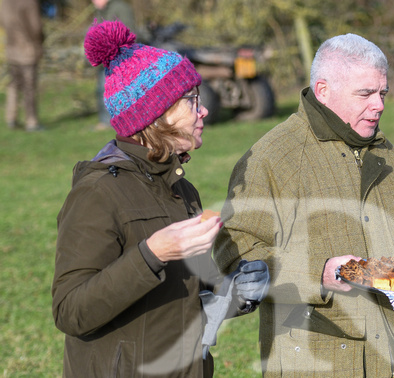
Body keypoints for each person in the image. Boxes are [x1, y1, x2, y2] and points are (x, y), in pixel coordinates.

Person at [213, 33, 394, 377]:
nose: (379, 105)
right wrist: (320, 274)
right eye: (366, 93)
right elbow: (234, 254)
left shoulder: (386, 153)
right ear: (324, 91)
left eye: (383, 92)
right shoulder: (272, 157)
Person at [51, 20, 269, 377]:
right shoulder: (96, 192)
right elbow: (70, 312)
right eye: (191, 101)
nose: (204, 111)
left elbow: (187, 300)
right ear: (156, 113)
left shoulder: (182, 190)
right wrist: (152, 254)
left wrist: (233, 294)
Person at [91, 0, 136, 131]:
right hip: (103, 57)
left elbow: (129, 31)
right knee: (102, 90)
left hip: (119, 57)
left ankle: (120, 121)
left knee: (120, 91)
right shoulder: (100, 11)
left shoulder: (121, 8)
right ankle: (106, 121)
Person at [0, 0, 44, 131]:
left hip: (12, 48)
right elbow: (36, 26)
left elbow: (2, 21)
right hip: (27, 48)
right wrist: (39, 41)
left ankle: (11, 117)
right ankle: (31, 121)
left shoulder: (5, 2)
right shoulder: (29, 2)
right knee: (29, 86)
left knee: (14, 83)